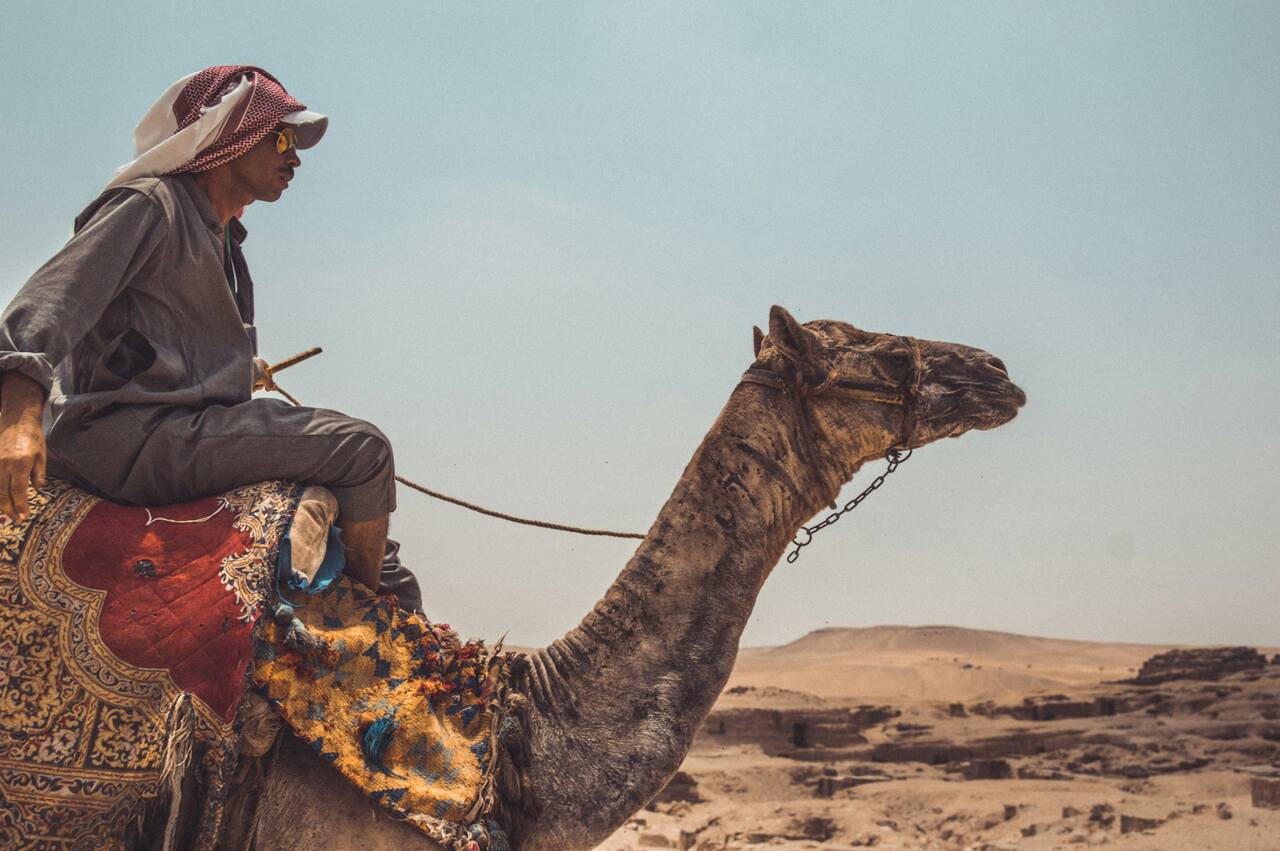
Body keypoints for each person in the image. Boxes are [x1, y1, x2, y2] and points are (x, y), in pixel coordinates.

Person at [0, 65, 422, 611]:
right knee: (362, 451)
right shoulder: (151, 205)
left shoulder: (222, 239)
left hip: (175, 430)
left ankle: (386, 604)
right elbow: (45, 305)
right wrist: (16, 422)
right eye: (283, 137)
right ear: (228, 136)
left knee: (391, 568)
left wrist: (240, 369)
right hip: (129, 437)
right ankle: (359, 625)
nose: (295, 157)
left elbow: (157, 347)